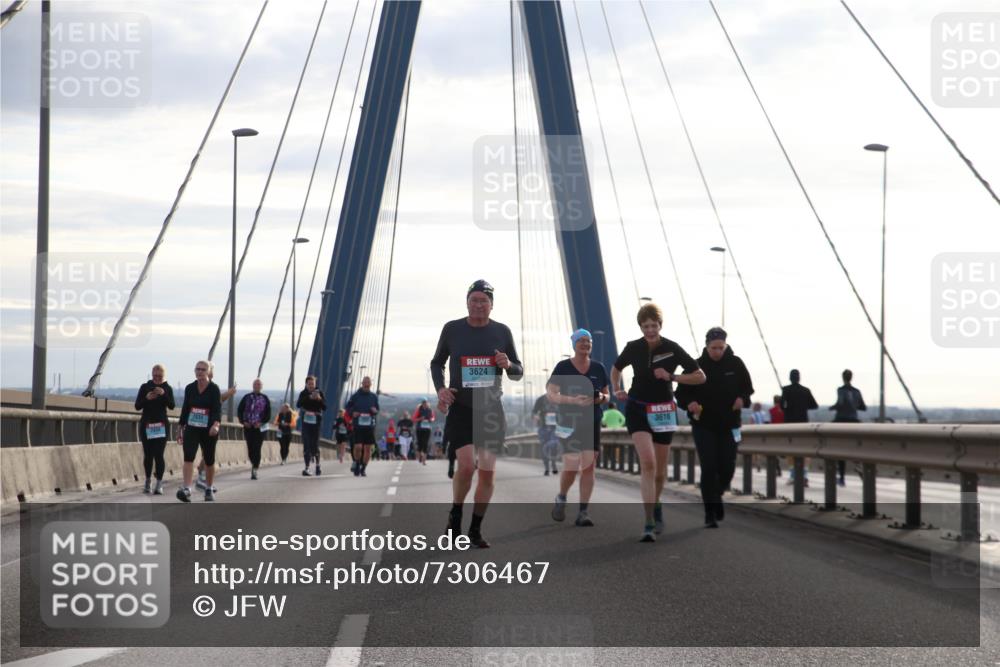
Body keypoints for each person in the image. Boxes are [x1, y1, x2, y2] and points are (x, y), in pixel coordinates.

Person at [432, 279, 523, 548]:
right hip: (461, 408)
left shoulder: (502, 332)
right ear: (467, 302)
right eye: (474, 300)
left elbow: (518, 372)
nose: (479, 304)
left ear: (492, 305)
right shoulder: (452, 329)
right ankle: (456, 513)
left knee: (488, 473)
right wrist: (441, 390)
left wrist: (508, 364)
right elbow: (437, 362)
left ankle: (475, 529)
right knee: (467, 466)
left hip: (491, 411)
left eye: (484, 300)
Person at [610, 303, 705, 542]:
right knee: (649, 464)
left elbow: (700, 376)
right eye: (645, 326)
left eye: (654, 325)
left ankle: (657, 503)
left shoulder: (672, 348)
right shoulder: (633, 347)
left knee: (660, 473)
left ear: (660, 325)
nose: (650, 330)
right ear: (640, 327)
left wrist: (672, 376)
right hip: (638, 410)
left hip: (663, 411)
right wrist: (617, 388)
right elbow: (616, 368)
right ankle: (649, 522)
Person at [675, 328, 754, 528]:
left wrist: (741, 399)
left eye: (721, 347)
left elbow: (747, 390)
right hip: (704, 425)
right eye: (713, 348)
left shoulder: (736, 364)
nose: (717, 351)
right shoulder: (696, 366)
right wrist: (689, 403)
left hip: (729, 425)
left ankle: (716, 496)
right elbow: (681, 394)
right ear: (707, 346)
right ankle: (709, 512)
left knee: (727, 467)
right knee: (709, 467)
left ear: (725, 345)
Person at [548, 329, 610, 527]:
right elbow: (551, 394)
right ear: (574, 344)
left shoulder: (599, 368)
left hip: (592, 422)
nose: (585, 344)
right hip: (568, 422)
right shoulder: (563, 367)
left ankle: (583, 511)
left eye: (588, 341)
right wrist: (572, 400)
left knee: (589, 466)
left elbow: (608, 395)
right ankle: (562, 497)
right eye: (581, 341)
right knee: (571, 467)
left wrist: (600, 398)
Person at [177, 360, 222, 502]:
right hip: (192, 427)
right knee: (188, 456)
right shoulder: (190, 388)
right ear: (194, 371)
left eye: (203, 369)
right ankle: (187, 488)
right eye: (198, 369)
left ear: (208, 372)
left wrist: (215, 425)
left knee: (209, 459)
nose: (200, 372)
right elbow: (185, 409)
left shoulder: (214, 389)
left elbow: (217, 410)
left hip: (208, 429)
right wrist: (180, 428)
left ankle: (209, 488)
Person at [134, 364, 175, 495]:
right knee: (148, 454)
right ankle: (147, 481)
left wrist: (163, 394)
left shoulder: (167, 388)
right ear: (152, 375)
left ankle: (159, 483)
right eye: (155, 376)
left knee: (159, 454)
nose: (157, 378)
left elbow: (172, 405)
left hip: (161, 426)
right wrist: (147, 398)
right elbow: (137, 406)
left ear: (164, 376)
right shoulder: (145, 387)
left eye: (160, 376)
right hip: (147, 424)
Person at [195, 364, 235, 493]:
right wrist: (229, 394)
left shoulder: (212, 387)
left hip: (211, 425)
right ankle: (202, 480)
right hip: (200, 425)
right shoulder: (200, 386)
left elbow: (216, 404)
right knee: (207, 454)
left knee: (208, 453)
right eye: (210, 371)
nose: (211, 373)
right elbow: (218, 401)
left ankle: (205, 480)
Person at [781, 369, 818, 486]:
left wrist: (788, 408)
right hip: (803, 424)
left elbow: (782, 406)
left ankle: (793, 475)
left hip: (790, 425)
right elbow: (814, 405)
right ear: (799, 378)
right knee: (804, 450)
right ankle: (804, 474)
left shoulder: (786, 390)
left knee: (790, 450)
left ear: (790, 378)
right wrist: (802, 405)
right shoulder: (805, 391)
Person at [830, 369, 867, 486]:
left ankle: (841, 477)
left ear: (843, 377)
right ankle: (859, 466)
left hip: (841, 421)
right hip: (854, 421)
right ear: (851, 377)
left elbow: (840, 403)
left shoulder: (840, 390)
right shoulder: (857, 391)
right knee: (854, 447)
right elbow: (863, 407)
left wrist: (832, 408)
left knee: (840, 448)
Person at [237, 378, 271, 480]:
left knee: (257, 447)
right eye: (255, 384)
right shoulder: (246, 397)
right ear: (253, 386)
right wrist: (243, 422)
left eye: (259, 384)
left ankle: (255, 469)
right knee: (250, 448)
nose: (257, 386)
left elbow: (268, 414)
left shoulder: (265, 398)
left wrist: (261, 423)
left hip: (260, 428)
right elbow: (240, 410)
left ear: (261, 386)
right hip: (248, 427)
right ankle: (253, 463)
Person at [346, 376, 379, 476]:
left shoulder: (374, 397)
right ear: (362, 383)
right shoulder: (355, 396)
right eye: (365, 382)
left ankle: (363, 468)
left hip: (369, 426)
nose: (366, 384)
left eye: (368, 382)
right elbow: (348, 407)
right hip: (358, 425)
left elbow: (377, 409)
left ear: (370, 384)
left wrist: (375, 411)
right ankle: (357, 463)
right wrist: (352, 413)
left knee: (368, 448)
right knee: (358, 447)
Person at [296, 375, 327, 476]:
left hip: (316, 423)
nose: (311, 386)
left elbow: (325, 407)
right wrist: (309, 397)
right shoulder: (303, 393)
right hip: (306, 423)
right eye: (309, 384)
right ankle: (307, 467)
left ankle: (318, 465)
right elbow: (298, 404)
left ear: (315, 384)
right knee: (306, 445)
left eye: (312, 384)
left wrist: (319, 399)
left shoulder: (320, 393)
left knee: (314, 445)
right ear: (306, 384)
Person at [532, 392, 559, 476]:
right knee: (544, 447)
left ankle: (553, 464)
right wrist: (535, 416)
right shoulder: (540, 399)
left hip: (555, 428)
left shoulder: (560, 399)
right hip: (543, 427)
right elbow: (533, 412)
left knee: (554, 446)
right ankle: (547, 468)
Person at [412, 399, 435, 465]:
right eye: (423, 403)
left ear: (427, 404)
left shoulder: (430, 410)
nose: (425, 404)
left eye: (426, 403)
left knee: (426, 444)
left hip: (427, 429)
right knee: (420, 444)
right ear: (422, 404)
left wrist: (431, 419)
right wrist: (420, 419)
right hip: (419, 429)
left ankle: (424, 460)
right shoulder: (418, 410)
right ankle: (420, 456)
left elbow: (433, 418)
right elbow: (413, 419)